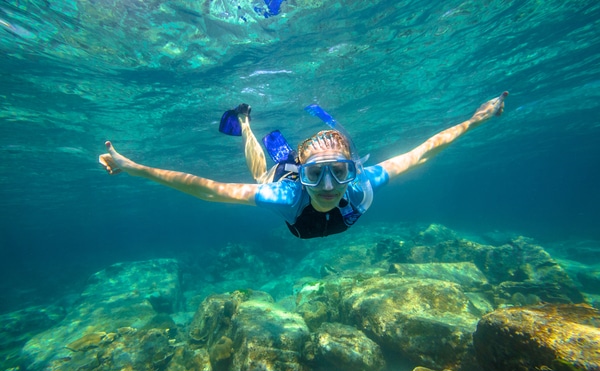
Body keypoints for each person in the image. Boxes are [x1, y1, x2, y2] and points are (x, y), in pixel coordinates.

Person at [99, 92, 508, 238]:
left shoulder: (363, 183)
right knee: (262, 174)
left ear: (353, 171)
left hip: (298, 171)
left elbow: (422, 152)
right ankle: (244, 122)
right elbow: (207, 188)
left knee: (281, 170)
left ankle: (274, 142)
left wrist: (476, 119)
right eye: (316, 174)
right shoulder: (287, 195)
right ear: (304, 176)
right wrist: (132, 166)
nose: (329, 186)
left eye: (339, 172)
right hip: (284, 172)